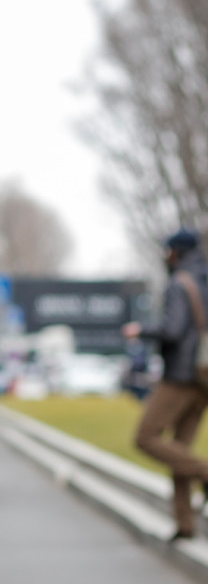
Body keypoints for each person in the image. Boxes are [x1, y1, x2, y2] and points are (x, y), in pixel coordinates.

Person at [123, 227, 208, 540]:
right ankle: (185, 524)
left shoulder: (178, 283)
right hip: (203, 380)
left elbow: (172, 331)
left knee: (145, 437)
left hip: (181, 377)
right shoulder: (204, 280)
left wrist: (140, 331)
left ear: (177, 252)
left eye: (168, 251)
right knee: (178, 450)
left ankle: (204, 473)